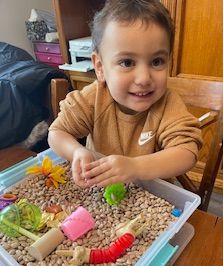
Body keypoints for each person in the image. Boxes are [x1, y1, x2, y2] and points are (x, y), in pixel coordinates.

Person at [48, 0, 202, 189]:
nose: (144, 78)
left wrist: (135, 167)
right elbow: (56, 133)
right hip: (99, 189)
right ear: (100, 67)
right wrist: (77, 152)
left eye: (157, 61)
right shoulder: (94, 98)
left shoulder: (167, 104)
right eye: (127, 63)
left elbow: (186, 153)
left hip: (151, 196)